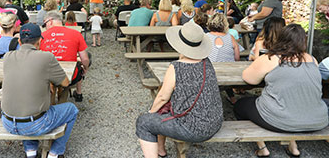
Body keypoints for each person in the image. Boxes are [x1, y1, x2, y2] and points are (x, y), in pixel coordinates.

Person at [234, 24, 328, 157]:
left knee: (240, 106)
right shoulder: (312, 59)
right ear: (303, 41)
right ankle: (293, 146)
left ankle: (263, 147)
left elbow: (249, 79)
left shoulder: (272, 58)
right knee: (294, 101)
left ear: (281, 38)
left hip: (281, 119)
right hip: (317, 119)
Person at [136, 21, 223, 158]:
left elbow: (162, 97)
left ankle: (156, 151)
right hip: (215, 121)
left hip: (193, 128)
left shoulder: (176, 67)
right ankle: (160, 150)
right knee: (161, 111)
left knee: (144, 122)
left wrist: (150, 113)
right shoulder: (207, 62)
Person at [1, 23, 79, 158]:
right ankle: (55, 153)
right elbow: (65, 83)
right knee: (71, 109)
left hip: (8, 122)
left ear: (19, 41)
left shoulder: (8, 56)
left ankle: (30, 151)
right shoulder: (46, 57)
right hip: (35, 124)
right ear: (40, 41)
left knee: (25, 101)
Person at [39, 11, 90, 102]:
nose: (45, 27)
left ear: (50, 21)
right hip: (70, 76)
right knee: (72, 74)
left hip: (46, 75)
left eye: (45, 24)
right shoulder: (76, 33)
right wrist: (85, 68)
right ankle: (68, 97)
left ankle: (52, 102)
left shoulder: (41, 37)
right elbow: (85, 59)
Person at [206, 13, 240, 104]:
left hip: (209, 71)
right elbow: (237, 58)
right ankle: (233, 99)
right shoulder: (231, 37)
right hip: (228, 72)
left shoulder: (205, 37)